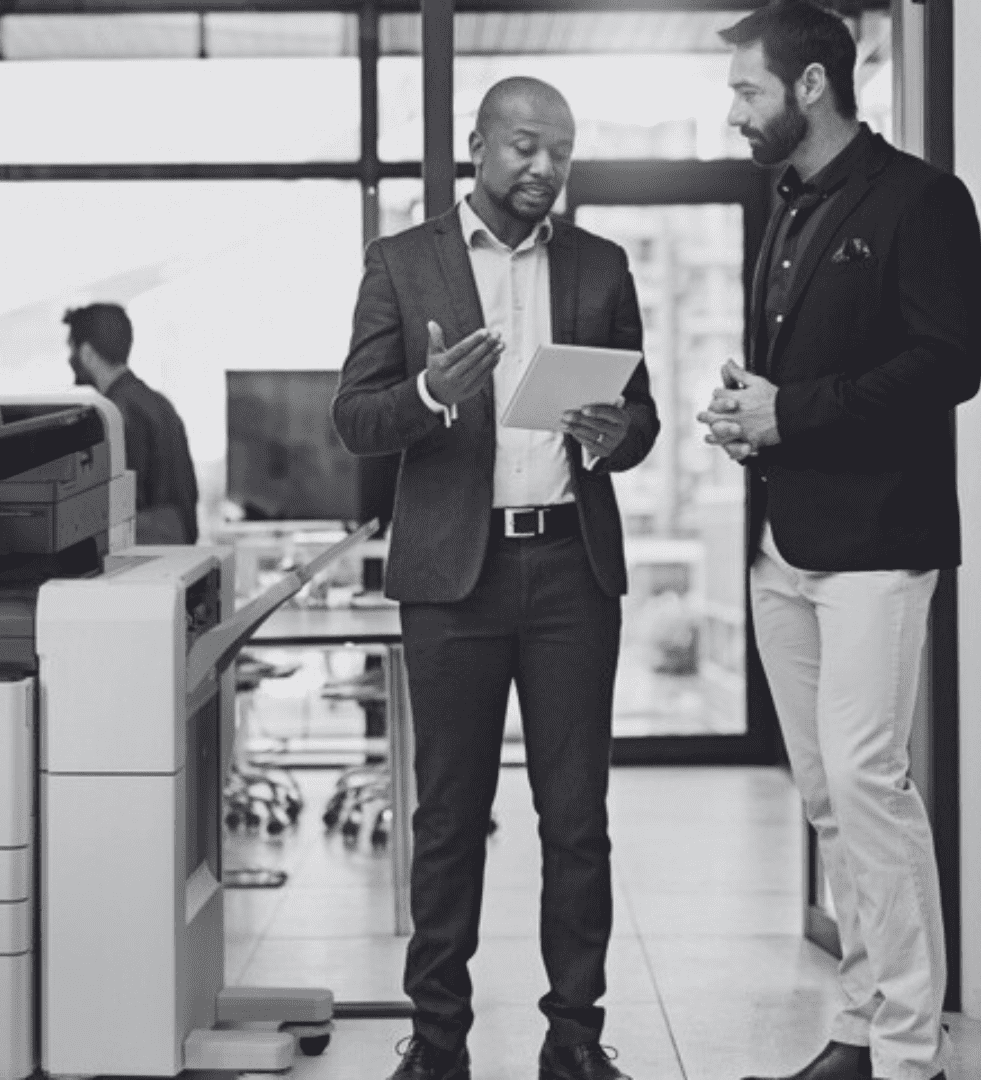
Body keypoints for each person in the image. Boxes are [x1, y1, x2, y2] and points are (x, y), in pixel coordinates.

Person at [332, 76, 659, 1080]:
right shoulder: (402, 262)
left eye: (560, 151)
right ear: (478, 145)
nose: (544, 169)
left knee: (576, 818)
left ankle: (573, 1037)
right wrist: (432, 392)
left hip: (570, 566)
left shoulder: (600, 266)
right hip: (451, 579)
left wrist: (614, 434)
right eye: (525, 146)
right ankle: (438, 1045)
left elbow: (638, 417)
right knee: (448, 818)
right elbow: (353, 418)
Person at [696, 4, 981, 1080]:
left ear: (811, 86)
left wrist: (793, 412)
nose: (734, 112)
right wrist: (747, 412)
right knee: (825, 796)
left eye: (747, 92)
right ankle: (863, 1024)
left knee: (870, 783)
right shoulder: (785, 204)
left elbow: (949, 364)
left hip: (878, 542)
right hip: (784, 542)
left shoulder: (923, 199)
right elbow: (800, 377)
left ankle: (913, 1055)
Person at [65, 302, 199, 545]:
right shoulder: (159, 403)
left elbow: (121, 508)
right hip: (176, 555)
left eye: (71, 350)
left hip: (146, 561)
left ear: (86, 353)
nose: (69, 359)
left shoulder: (114, 415)